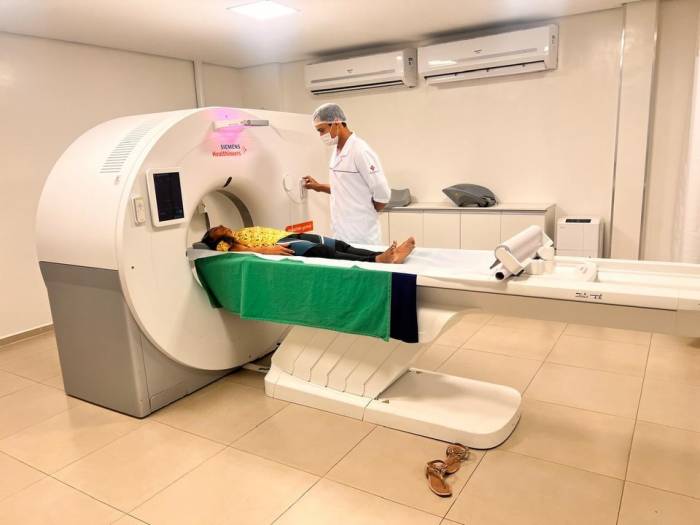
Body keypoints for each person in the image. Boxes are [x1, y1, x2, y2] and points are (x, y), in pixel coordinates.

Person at [303, 103, 391, 246]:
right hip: (341, 232)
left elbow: (383, 194)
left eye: (321, 130)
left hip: (361, 234)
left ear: (336, 123)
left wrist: (366, 211)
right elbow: (345, 187)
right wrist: (318, 187)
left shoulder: (360, 151)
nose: (321, 135)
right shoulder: (337, 151)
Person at [200, 225, 415, 264]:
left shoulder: (238, 231)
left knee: (340, 245)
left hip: (290, 234)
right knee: (323, 251)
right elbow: (230, 253)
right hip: (281, 243)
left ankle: (390, 254)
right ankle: (377, 260)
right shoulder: (228, 245)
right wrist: (266, 249)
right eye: (217, 230)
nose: (222, 226)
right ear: (216, 239)